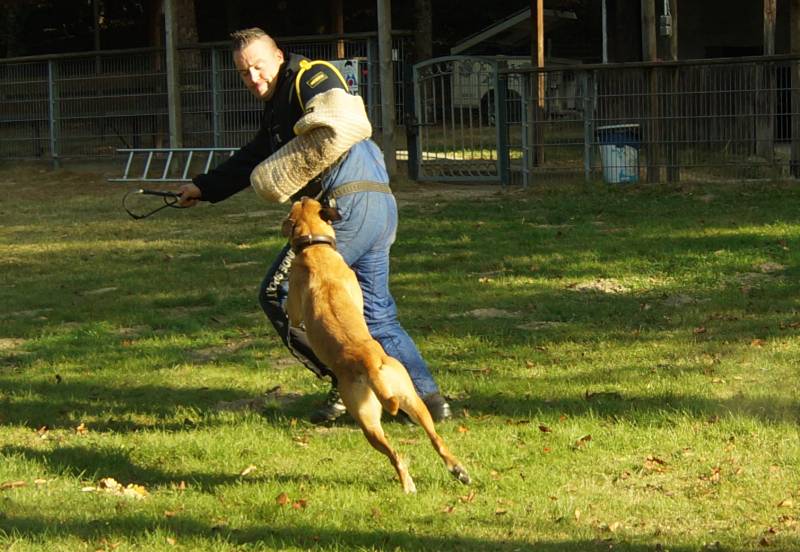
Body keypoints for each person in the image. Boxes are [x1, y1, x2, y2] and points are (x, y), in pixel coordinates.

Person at [177, 28, 451, 423]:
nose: (253, 77)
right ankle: (428, 402)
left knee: (280, 293)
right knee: (376, 313)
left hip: (345, 209)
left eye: (258, 66)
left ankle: (347, 378)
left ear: (278, 57)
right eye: (243, 72)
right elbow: (252, 157)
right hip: (378, 205)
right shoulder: (277, 110)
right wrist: (203, 188)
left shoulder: (310, 76)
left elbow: (338, 110)